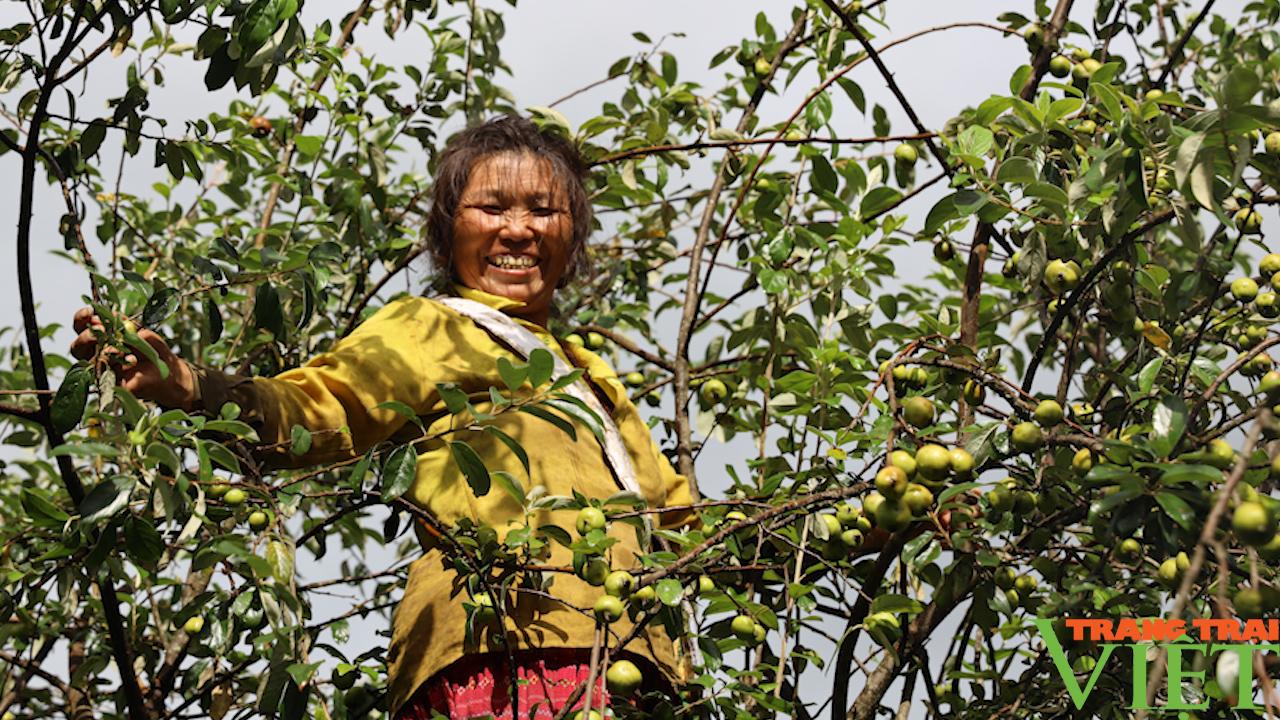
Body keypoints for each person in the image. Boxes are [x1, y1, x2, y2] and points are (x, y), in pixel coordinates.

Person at [70, 116, 694, 719]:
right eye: (493, 207)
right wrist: (190, 385)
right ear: (448, 231)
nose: (518, 230)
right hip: (497, 647)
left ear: (574, 236)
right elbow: (322, 404)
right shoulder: (432, 326)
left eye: (542, 210)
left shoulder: (590, 373)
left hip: (640, 661)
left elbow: (679, 521)